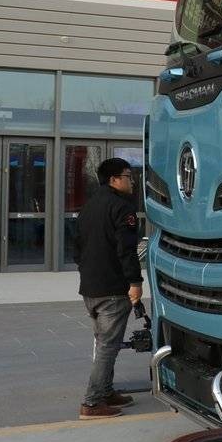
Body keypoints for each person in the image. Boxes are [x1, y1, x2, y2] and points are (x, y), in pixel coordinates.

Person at [75, 158, 143, 419]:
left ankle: (105, 391)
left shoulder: (89, 206)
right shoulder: (122, 207)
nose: (132, 181)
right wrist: (135, 283)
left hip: (90, 287)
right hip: (113, 289)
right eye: (128, 176)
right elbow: (127, 250)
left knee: (104, 342)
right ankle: (92, 403)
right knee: (107, 346)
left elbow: (77, 246)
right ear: (114, 179)